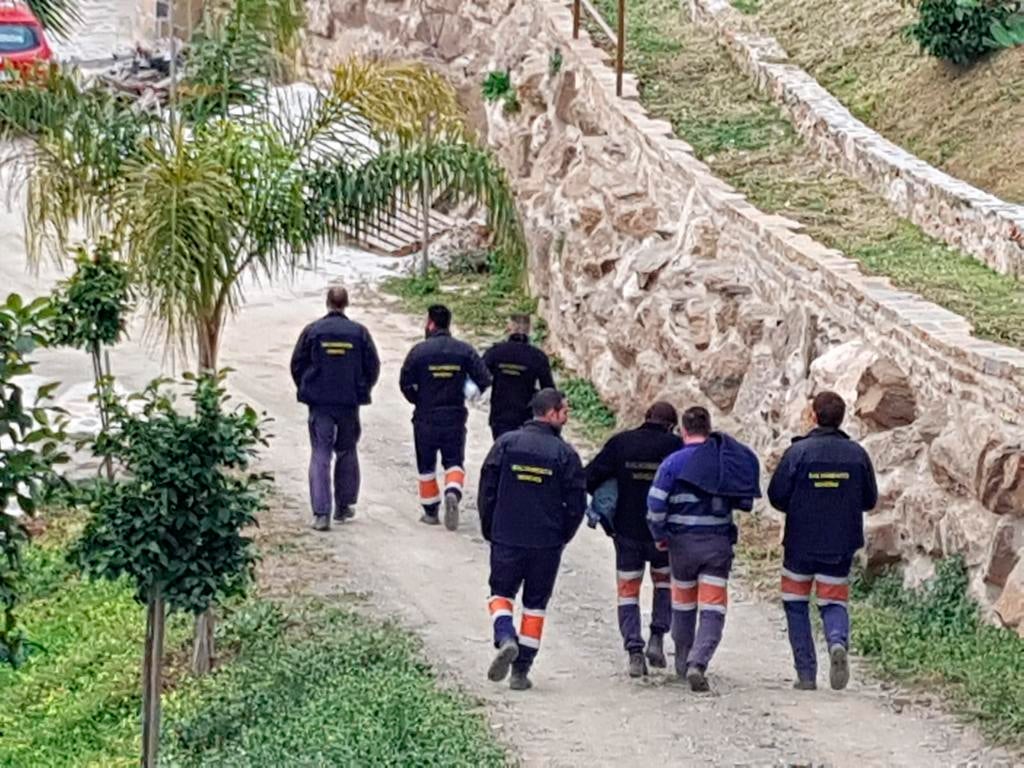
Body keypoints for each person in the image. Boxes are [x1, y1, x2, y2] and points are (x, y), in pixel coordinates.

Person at [767, 391, 878, 692]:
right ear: (842, 418)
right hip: (840, 543)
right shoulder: (857, 454)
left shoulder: (798, 452)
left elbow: (776, 495)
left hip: (800, 542)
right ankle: (837, 641)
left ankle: (806, 674)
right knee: (833, 600)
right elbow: (869, 500)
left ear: (814, 416)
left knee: (796, 604)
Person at [478, 389, 586, 691]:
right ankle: (521, 671)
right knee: (535, 606)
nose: (567, 417)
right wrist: (562, 535)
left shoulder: (506, 444)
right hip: (546, 542)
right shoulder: (565, 454)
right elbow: (576, 504)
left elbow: (487, 489)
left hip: (507, 535)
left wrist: (490, 527)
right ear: (551, 414)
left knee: (500, 593)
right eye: (565, 412)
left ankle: (505, 635)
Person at [647, 406, 760, 692]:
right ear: (708, 429)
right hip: (717, 544)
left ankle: (682, 661)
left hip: (681, 545)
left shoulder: (672, 463)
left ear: (683, 430)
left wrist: (660, 535)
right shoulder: (723, 461)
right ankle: (699, 662)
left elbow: (655, 505)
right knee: (713, 609)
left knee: (683, 606)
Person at [584, 401, 682, 677]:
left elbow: (588, 478)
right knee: (663, 584)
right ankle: (657, 637)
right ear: (671, 426)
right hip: (663, 534)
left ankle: (634, 651)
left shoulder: (621, 443)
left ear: (645, 417)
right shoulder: (676, 447)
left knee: (628, 590)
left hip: (626, 532)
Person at [290, 286, 380, 532]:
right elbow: (372, 366)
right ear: (346, 304)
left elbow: (297, 364)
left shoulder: (313, 331)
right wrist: (362, 388)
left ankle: (321, 514)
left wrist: (307, 387)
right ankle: (344, 506)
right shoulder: (359, 333)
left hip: (320, 404)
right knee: (347, 450)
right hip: (349, 403)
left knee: (321, 453)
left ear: (327, 303)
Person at [400, 304, 492, 530]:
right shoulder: (464, 351)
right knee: (454, 462)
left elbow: (405, 384)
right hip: (454, 416)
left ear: (430, 323)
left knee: (426, 466)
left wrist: (418, 399)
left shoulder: (418, 352)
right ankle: (452, 491)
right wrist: (468, 391)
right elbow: (484, 379)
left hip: (425, 417)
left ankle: (431, 512)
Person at [482, 314, 556, 440]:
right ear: (529, 330)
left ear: (509, 328)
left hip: (499, 415)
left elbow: (480, 376)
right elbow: (548, 389)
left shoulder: (495, 352)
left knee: (502, 447)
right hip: (525, 417)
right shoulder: (537, 356)